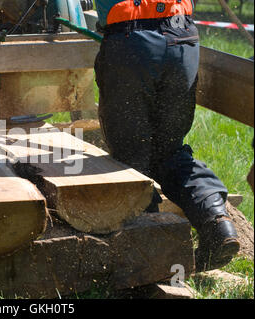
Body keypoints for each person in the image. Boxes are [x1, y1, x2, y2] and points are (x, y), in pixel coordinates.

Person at [93, 0, 240, 271]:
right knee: (170, 150)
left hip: (131, 40)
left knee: (131, 154)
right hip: (182, 38)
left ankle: (148, 253)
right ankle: (217, 223)